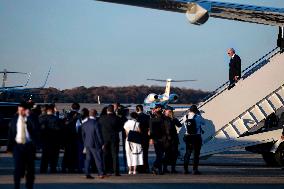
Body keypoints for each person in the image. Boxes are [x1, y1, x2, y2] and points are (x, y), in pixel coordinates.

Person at [7, 102, 39, 189]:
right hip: (18, 146)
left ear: (26, 110)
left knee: (30, 169)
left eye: (22, 110)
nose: (20, 111)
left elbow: (36, 129)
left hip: (29, 146)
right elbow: (11, 133)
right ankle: (16, 186)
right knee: (18, 168)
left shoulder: (32, 118)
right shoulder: (15, 119)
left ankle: (29, 186)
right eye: (19, 109)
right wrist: (9, 147)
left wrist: (29, 117)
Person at [81, 108, 105, 179]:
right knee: (98, 159)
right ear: (95, 115)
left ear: (89, 114)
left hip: (87, 143)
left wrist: (84, 143)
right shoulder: (96, 123)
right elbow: (99, 135)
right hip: (95, 144)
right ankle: (100, 173)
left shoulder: (84, 123)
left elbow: (83, 135)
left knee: (88, 159)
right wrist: (102, 143)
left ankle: (87, 173)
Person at [99, 105, 122, 176]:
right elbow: (120, 128)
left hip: (105, 138)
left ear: (107, 110)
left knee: (105, 155)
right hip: (114, 138)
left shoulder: (102, 118)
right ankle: (116, 171)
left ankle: (105, 170)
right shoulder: (117, 118)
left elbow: (99, 128)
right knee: (115, 155)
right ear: (113, 110)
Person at [39, 104, 62, 173]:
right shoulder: (56, 119)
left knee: (45, 156)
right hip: (54, 140)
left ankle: (43, 169)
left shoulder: (41, 118)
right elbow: (60, 129)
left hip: (45, 139)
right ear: (53, 110)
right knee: (54, 156)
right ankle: (53, 169)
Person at [183, 105, 204, 175]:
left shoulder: (185, 117)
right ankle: (195, 170)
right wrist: (199, 114)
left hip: (188, 136)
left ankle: (185, 169)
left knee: (187, 153)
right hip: (196, 137)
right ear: (196, 110)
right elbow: (204, 123)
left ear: (189, 110)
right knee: (196, 154)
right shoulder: (198, 117)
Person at [62, 102, 81, 173]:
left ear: (71, 107)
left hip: (67, 136)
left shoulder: (67, 115)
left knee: (67, 153)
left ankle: (64, 167)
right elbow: (79, 126)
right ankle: (72, 167)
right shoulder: (79, 116)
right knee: (74, 153)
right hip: (75, 136)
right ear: (78, 108)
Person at [163, 109, 182, 173]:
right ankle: (172, 168)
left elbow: (179, 125)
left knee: (167, 154)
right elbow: (179, 125)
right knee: (173, 154)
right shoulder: (172, 119)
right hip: (172, 139)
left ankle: (166, 168)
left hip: (167, 139)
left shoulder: (163, 119)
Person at [149, 105, 166, 175]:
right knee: (160, 155)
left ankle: (159, 169)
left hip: (160, 138)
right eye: (159, 109)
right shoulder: (158, 118)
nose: (161, 109)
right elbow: (151, 130)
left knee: (160, 154)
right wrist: (151, 138)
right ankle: (155, 167)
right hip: (158, 138)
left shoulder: (153, 118)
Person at [136, 104, 150, 173]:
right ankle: (146, 167)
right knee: (145, 153)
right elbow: (149, 128)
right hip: (145, 137)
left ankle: (139, 168)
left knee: (138, 153)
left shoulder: (136, 117)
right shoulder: (147, 117)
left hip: (138, 137)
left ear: (136, 110)